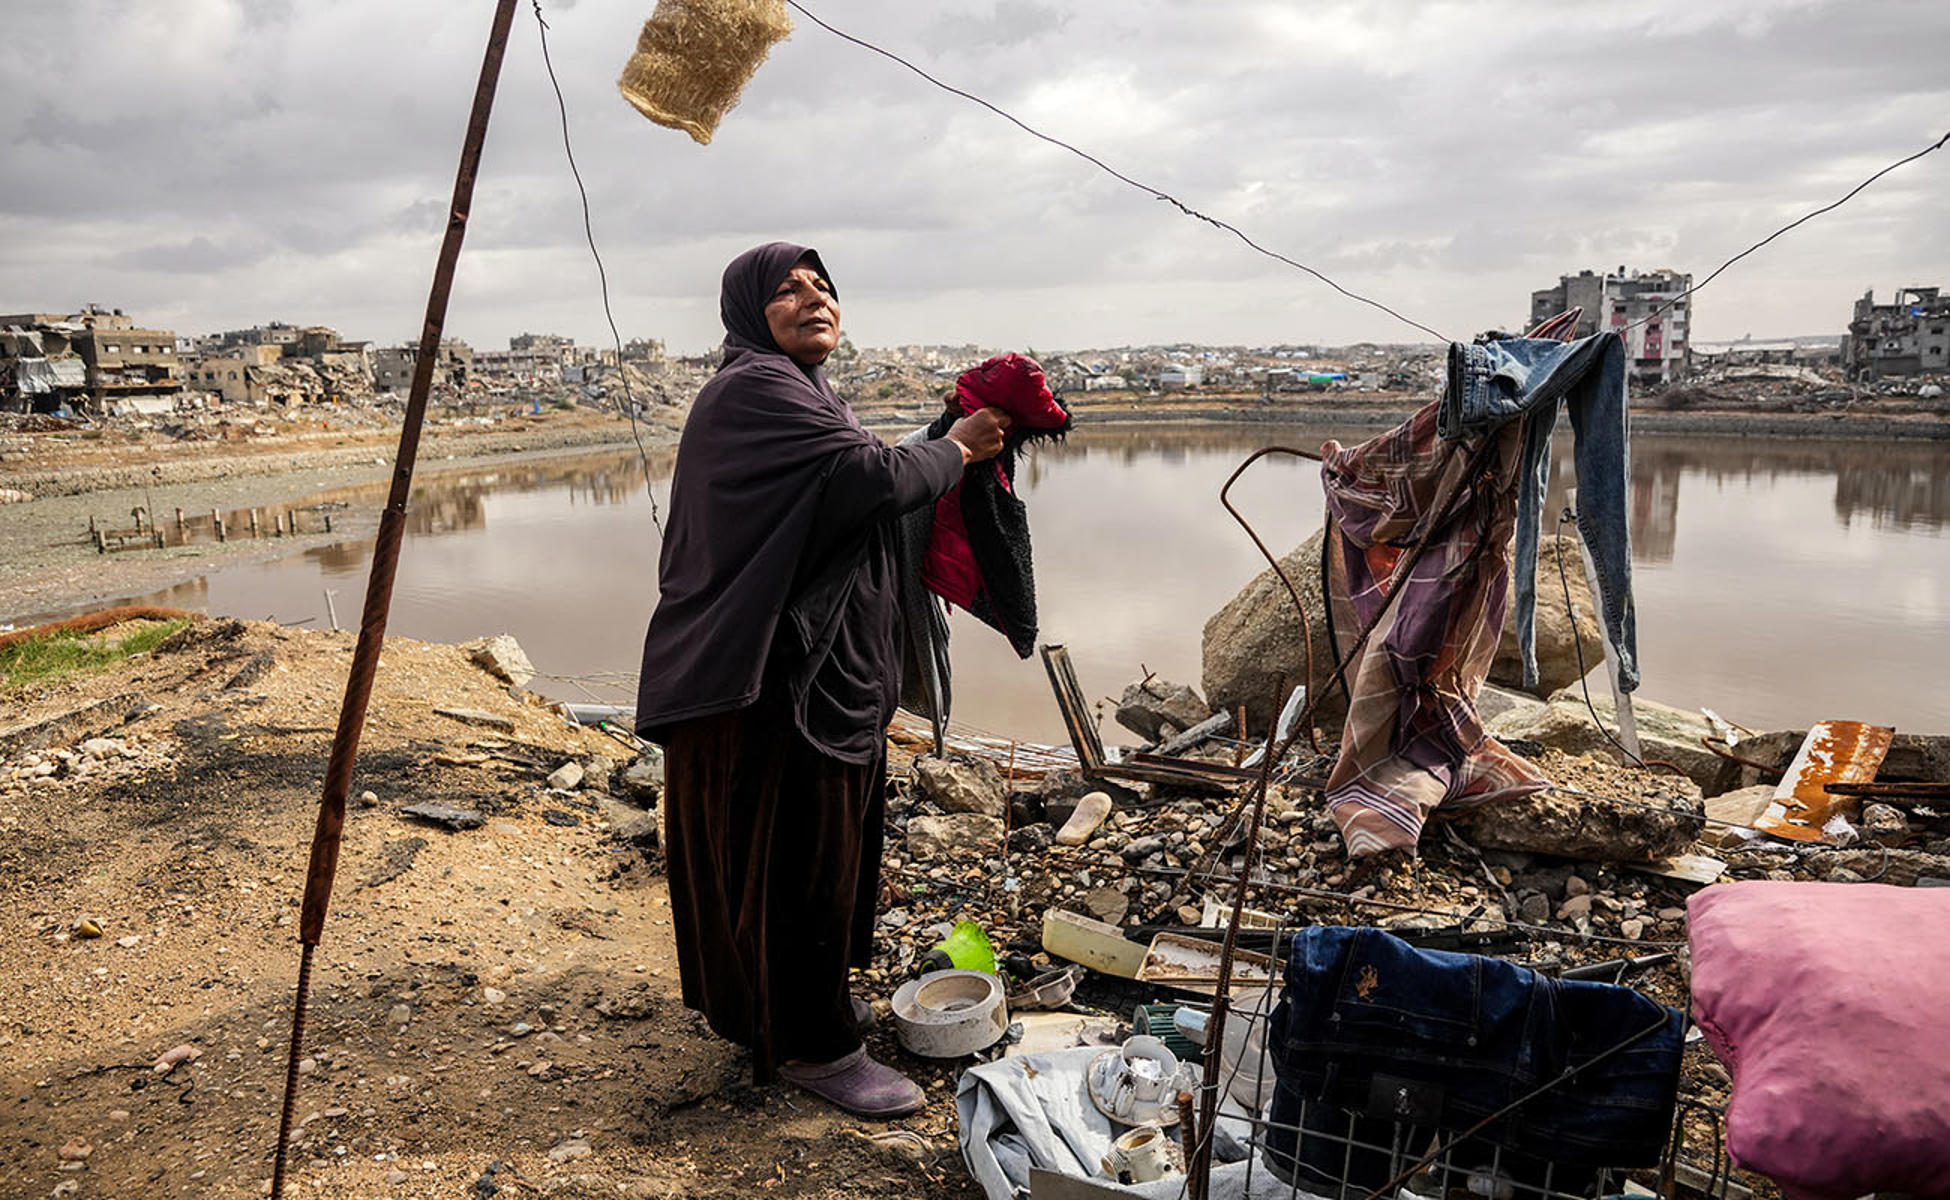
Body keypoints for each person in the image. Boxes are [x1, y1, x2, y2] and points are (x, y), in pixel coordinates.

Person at [633, 242, 1010, 1117]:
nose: (814, 299)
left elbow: (849, 479)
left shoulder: (803, 392)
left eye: (823, 286)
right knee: (798, 864)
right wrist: (955, 450)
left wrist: (937, 446)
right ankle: (813, 1047)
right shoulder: (755, 389)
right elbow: (870, 478)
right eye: (787, 290)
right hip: (770, 684)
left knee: (819, 856)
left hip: (800, 676)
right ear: (748, 311)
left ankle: (795, 1010)